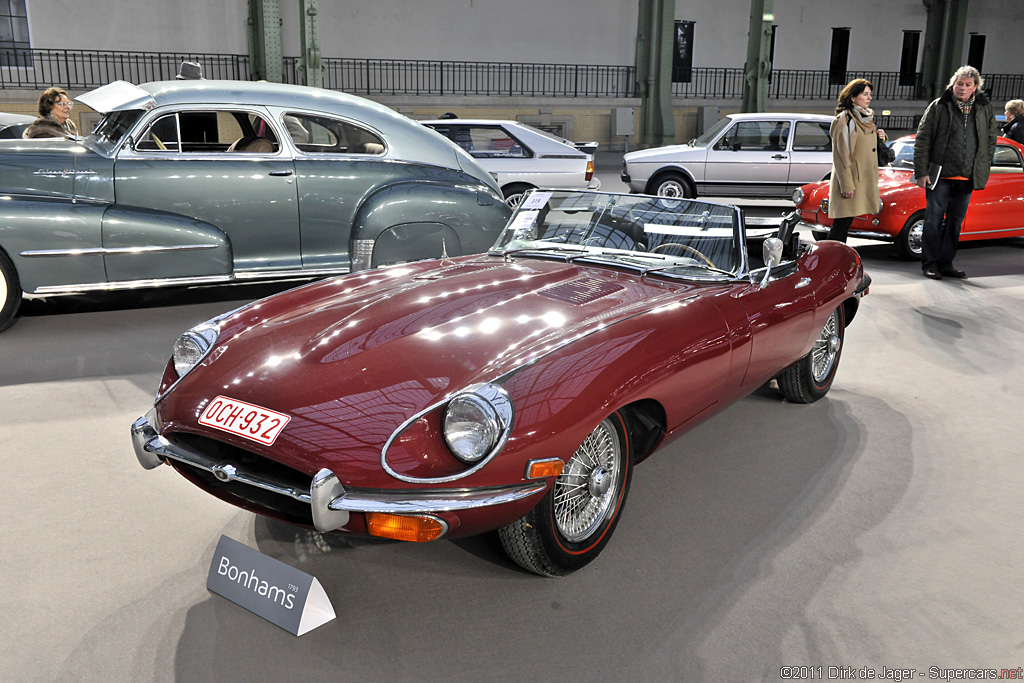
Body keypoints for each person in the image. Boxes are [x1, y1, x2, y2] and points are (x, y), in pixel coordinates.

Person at [913, 66, 997, 280]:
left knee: (955, 221)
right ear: (953, 84)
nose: (963, 88)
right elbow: (923, 139)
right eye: (959, 83)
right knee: (932, 220)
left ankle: (946, 263)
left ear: (975, 88)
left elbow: (990, 140)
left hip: (967, 176)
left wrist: (983, 168)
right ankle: (930, 264)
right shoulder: (939, 106)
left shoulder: (984, 108)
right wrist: (922, 171)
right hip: (939, 175)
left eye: (968, 85)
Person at [825, 78, 887, 242]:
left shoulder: (866, 119)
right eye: (865, 94)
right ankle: (832, 262)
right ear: (853, 97)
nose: (869, 98)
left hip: (861, 179)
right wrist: (847, 184)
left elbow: (866, 148)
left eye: (870, 94)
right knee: (841, 225)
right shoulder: (845, 119)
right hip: (850, 180)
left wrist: (881, 137)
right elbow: (840, 154)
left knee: (845, 223)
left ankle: (839, 262)